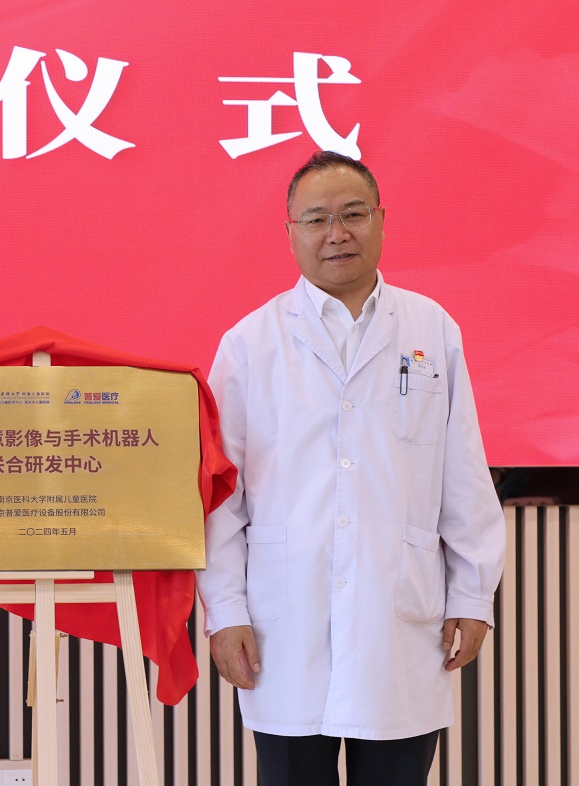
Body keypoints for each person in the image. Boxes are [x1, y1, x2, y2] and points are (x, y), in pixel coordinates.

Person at [196, 152, 506, 785]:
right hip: (284, 628)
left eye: (353, 215)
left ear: (381, 220)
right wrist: (224, 611)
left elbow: (463, 471)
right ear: (290, 233)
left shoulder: (431, 329)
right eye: (316, 220)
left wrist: (474, 594)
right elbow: (223, 496)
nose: (336, 234)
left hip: (399, 623)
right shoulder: (250, 343)